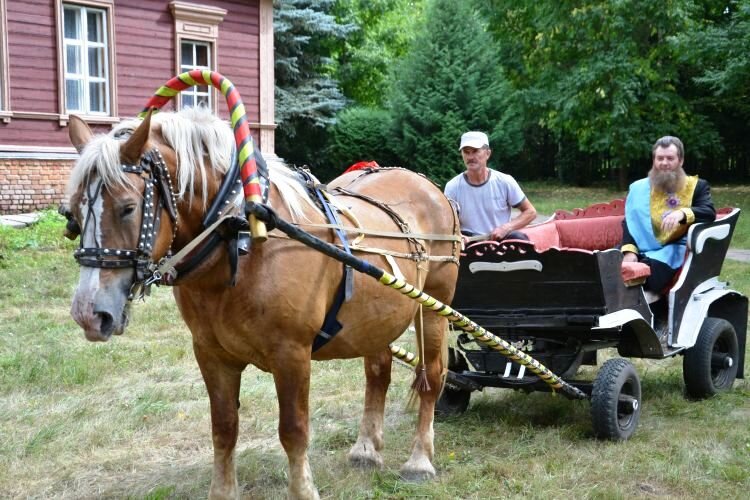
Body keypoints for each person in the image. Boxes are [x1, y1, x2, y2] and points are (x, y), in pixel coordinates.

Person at [620, 136, 716, 292]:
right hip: (638, 249)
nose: (664, 163)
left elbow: (709, 212)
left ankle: (652, 310)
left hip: (672, 249)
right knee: (606, 265)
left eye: (670, 158)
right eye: (660, 158)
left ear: (681, 161)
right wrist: (630, 251)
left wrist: (682, 214)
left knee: (648, 270)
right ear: (654, 160)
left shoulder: (697, 186)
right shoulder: (638, 188)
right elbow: (630, 223)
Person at [444, 131, 537, 242]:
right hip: (469, 243)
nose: (470, 156)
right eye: (466, 152)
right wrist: (458, 234)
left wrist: (506, 228)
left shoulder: (504, 181)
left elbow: (530, 212)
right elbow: (446, 221)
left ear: (488, 153)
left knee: (520, 240)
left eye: (475, 151)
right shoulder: (452, 187)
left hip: (501, 241)